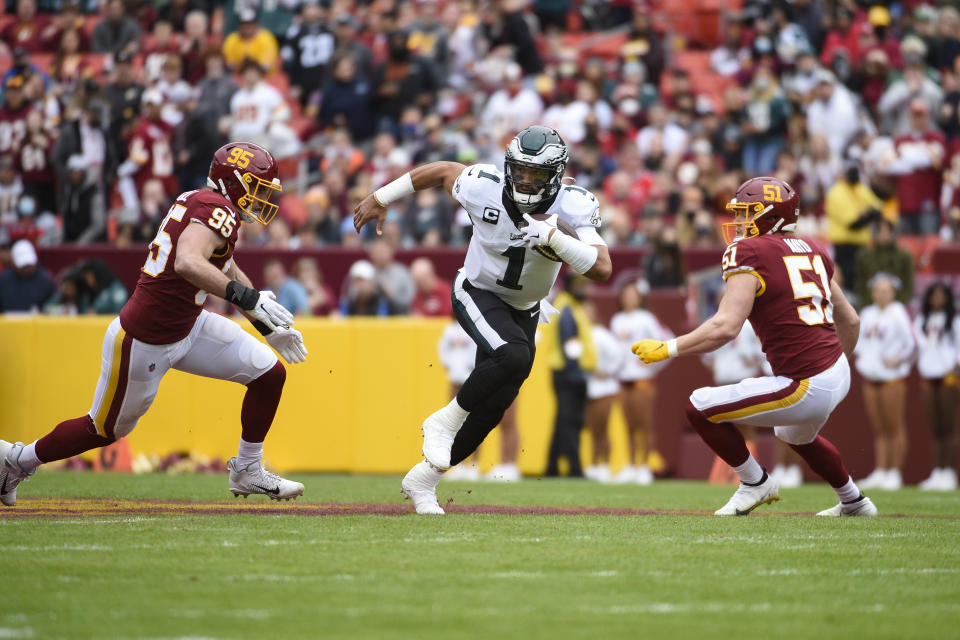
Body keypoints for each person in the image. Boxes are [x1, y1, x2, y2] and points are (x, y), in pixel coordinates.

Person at [0, 142, 308, 507]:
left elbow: (222, 267)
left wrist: (263, 322)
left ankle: (248, 469)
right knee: (103, 429)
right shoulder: (217, 208)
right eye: (256, 187)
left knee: (268, 373)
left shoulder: (203, 201)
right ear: (234, 183)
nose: (260, 198)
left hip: (188, 326)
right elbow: (189, 263)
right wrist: (248, 299)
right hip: (144, 340)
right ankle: (16, 460)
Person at [353, 125, 612, 514]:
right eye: (520, 171)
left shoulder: (572, 205)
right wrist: (380, 196)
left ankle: (424, 480)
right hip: (477, 290)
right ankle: (442, 422)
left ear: (555, 175)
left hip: (526, 307)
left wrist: (556, 238)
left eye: (536, 174)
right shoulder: (482, 184)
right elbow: (441, 170)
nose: (526, 180)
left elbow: (602, 268)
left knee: (496, 403)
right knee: (515, 357)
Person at [632, 176, 877, 517]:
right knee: (796, 436)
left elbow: (726, 326)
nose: (739, 222)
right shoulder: (815, 249)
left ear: (771, 215)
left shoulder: (749, 251)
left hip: (806, 381)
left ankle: (754, 482)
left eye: (748, 213)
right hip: (835, 370)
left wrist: (669, 347)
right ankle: (854, 501)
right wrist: (834, 366)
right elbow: (851, 321)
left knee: (697, 407)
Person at [854, 273, 915, 491]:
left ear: (893, 293)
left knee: (894, 425)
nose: (882, 294)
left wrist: (898, 359)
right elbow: (860, 339)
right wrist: (862, 357)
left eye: (886, 291)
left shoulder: (898, 312)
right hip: (871, 376)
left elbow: (911, 342)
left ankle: (895, 471)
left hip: (892, 377)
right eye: (878, 290)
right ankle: (881, 469)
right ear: (873, 293)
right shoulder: (869, 312)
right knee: (879, 427)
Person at [610, 279, 671, 484]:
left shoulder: (647, 318)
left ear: (639, 298)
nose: (629, 299)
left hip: (642, 379)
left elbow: (665, 340)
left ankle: (644, 465)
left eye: (633, 295)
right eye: (625, 295)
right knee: (628, 424)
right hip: (623, 379)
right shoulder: (616, 320)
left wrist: (652, 365)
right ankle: (629, 464)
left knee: (644, 424)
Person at [545, 273, 595, 478]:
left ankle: (552, 468)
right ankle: (575, 469)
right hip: (569, 372)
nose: (584, 289)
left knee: (562, 421)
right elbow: (571, 346)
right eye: (580, 285)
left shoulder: (567, 305)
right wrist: (577, 376)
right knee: (571, 422)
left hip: (564, 371)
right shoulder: (567, 308)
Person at [915, 282, 960, 491]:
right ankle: (938, 471)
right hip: (928, 376)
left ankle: (949, 471)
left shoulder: (955, 321)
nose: (938, 299)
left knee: (948, 426)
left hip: (948, 376)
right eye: (934, 295)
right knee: (936, 428)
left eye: (942, 296)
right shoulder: (922, 320)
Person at [584, 301, 623, 483]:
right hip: (589, 390)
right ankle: (593, 463)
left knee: (603, 428)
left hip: (604, 390)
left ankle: (605, 464)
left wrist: (607, 371)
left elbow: (618, 354)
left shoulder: (601, 334)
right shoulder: (582, 335)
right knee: (593, 430)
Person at [0, 238, 53, 312]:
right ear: (14, 263)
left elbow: (51, 306)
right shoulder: (4, 280)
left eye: (29, 264)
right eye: (23, 266)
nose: (27, 269)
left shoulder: (45, 279)